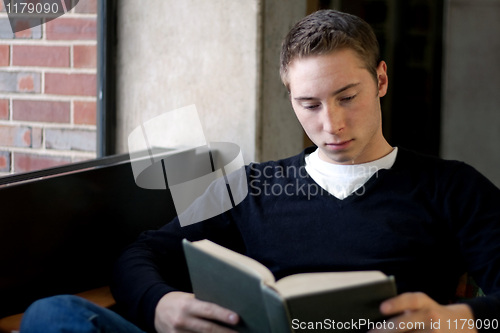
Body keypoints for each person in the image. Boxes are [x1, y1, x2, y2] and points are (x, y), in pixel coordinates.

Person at [20, 9, 500, 333]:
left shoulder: (452, 188)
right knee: (53, 314)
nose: (330, 123)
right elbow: (142, 254)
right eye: (308, 104)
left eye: (347, 97)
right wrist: (161, 305)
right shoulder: (252, 186)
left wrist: (458, 317)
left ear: (380, 80)